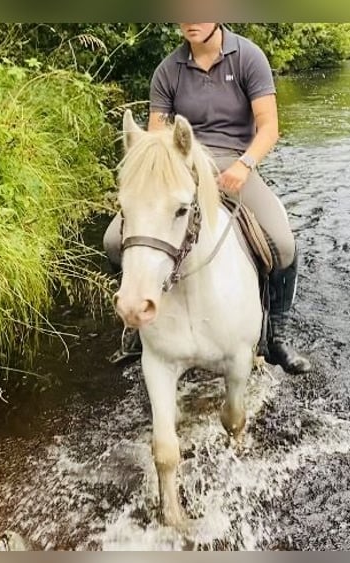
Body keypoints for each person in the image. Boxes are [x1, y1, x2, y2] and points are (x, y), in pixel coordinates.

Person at [104, 23, 310, 374]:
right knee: (112, 241)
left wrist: (245, 165)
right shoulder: (168, 70)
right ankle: (139, 325)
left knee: (282, 243)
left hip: (234, 162)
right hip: (182, 164)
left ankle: (275, 337)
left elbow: (269, 127)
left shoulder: (248, 57)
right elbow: (157, 138)